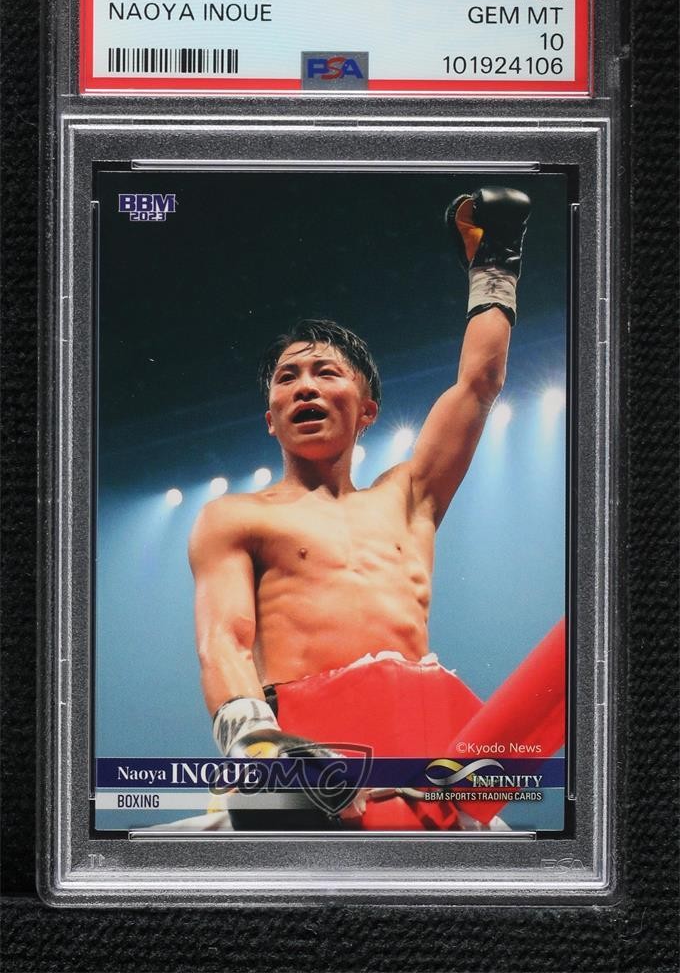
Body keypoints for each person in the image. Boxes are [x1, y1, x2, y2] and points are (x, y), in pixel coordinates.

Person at [189, 187, 565, 830]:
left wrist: (497, 262)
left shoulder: (408, 497)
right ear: (270, 419)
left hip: (438, 760)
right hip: (315, 759)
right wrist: (256, 744)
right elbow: (224, 639)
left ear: (367, 411)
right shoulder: (235, 516)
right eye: (287, 377)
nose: (305, 386)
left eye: (326, 372)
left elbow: (479, 383)